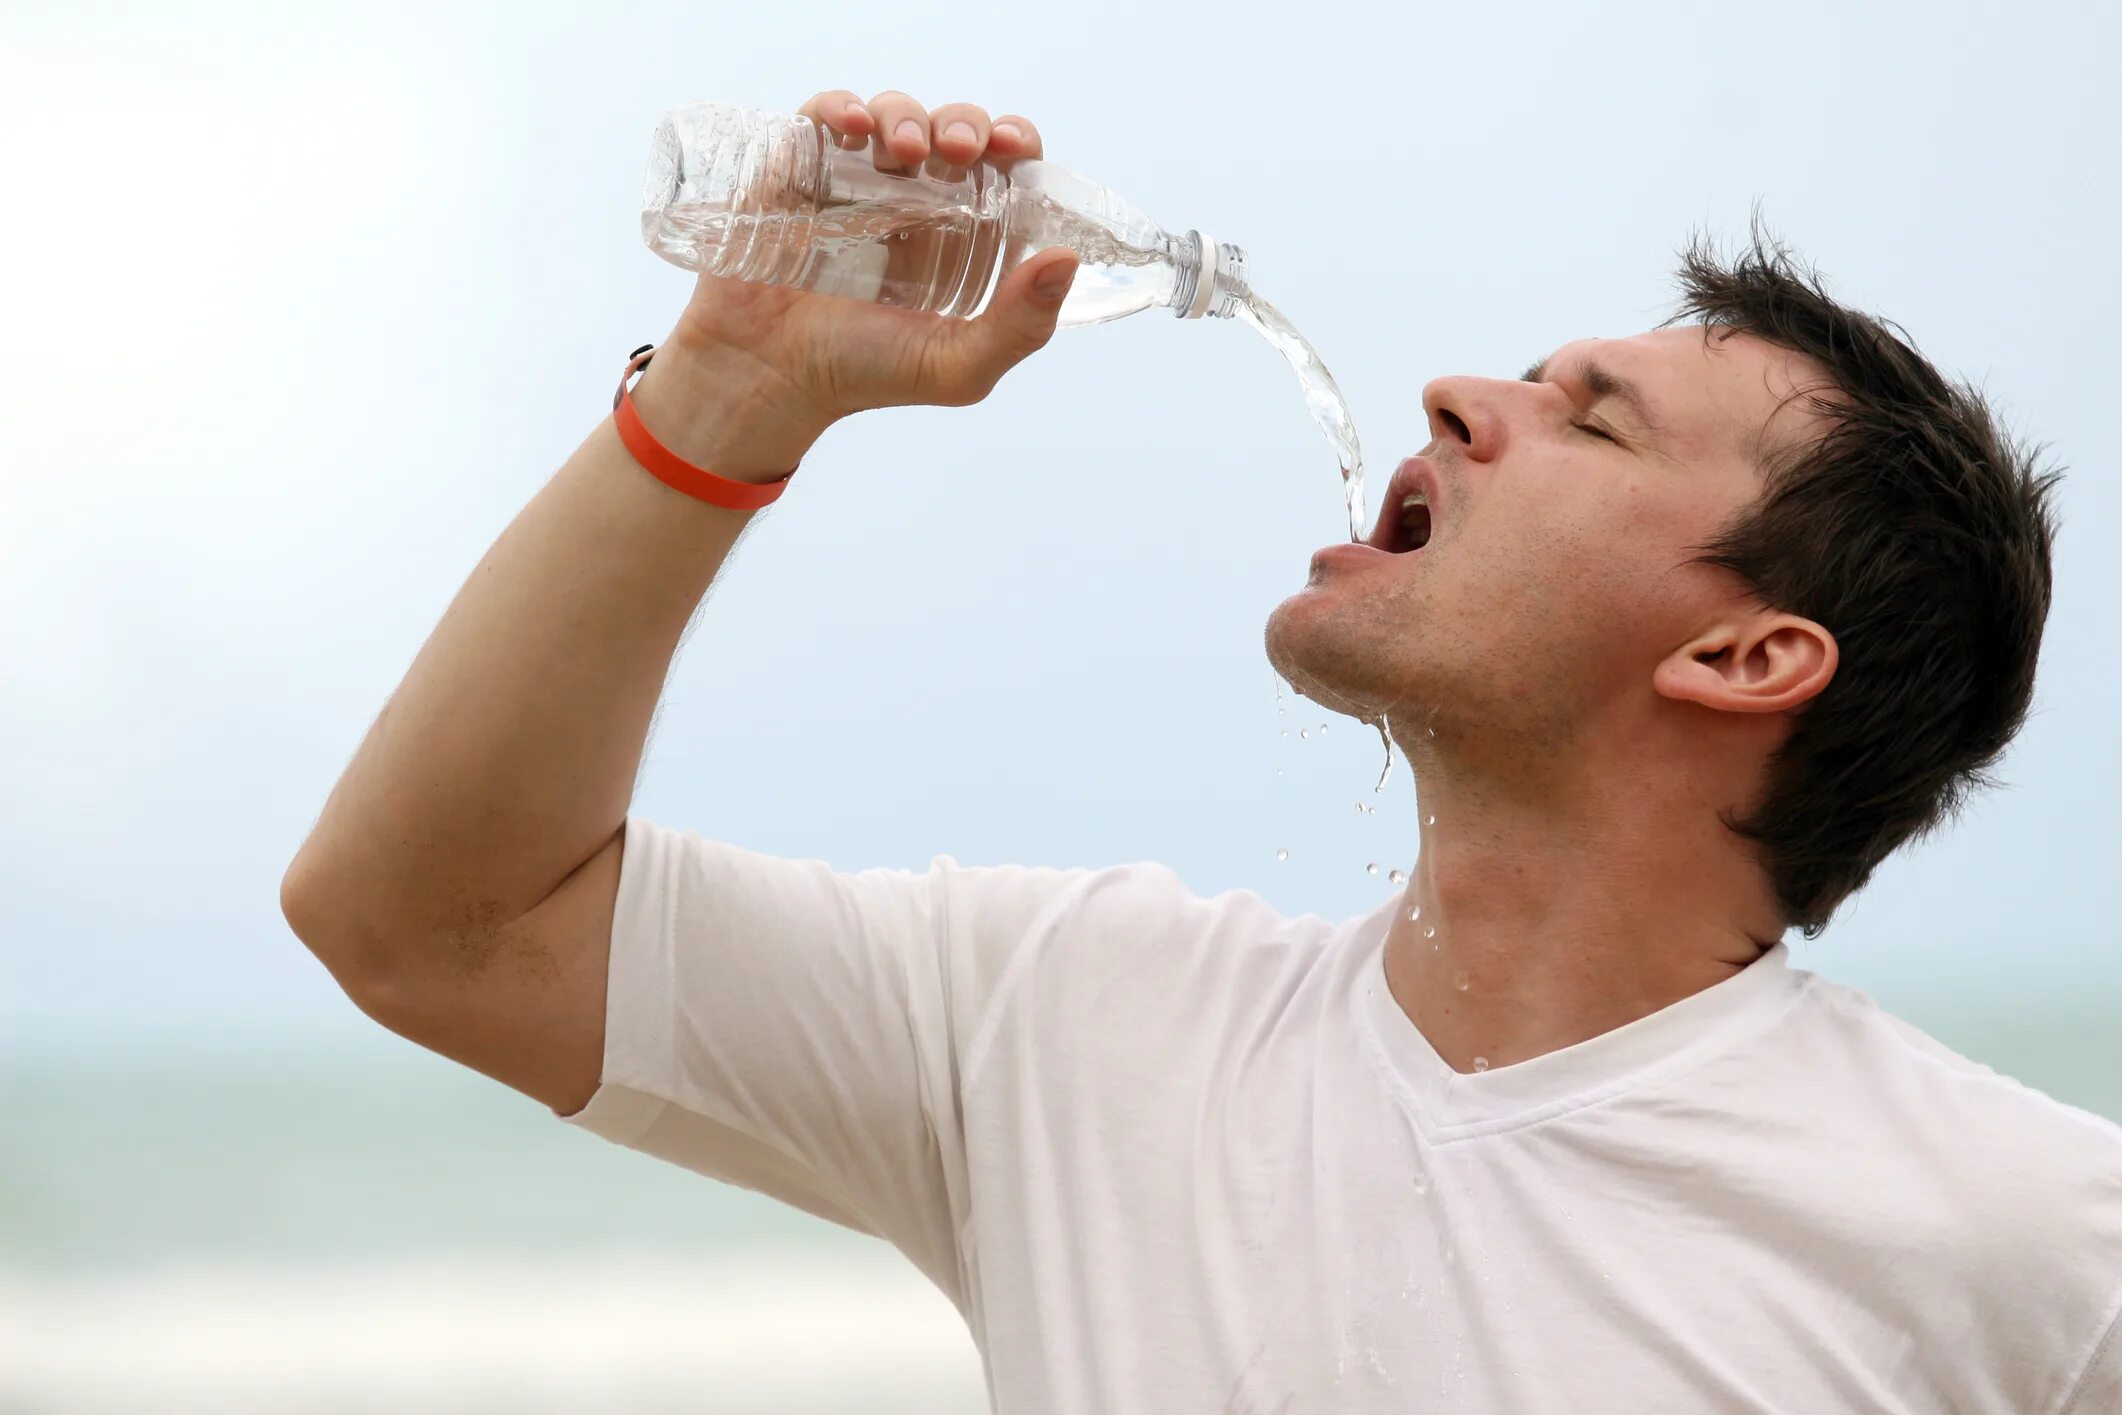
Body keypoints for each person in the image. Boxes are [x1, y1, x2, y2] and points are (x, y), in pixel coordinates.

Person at [280, 86, 2122, 1412]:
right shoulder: (1063, 1017)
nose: (1460, 397)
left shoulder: (2029, 1238)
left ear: (1743, 655)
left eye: (1594, 425)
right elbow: (425, 919)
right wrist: (721, 404)